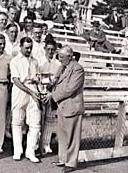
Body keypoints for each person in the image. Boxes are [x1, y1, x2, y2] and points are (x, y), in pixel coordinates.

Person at [45, 45, 85, 173]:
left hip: (72, 106)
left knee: (72, 137)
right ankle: (63, 159)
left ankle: (71, 163)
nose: (59, 59)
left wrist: (53, 95)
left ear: (70, 56)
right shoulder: (63, 67)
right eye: (59, 57)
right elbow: (57, 83)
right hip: (62, 106)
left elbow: (70, 89)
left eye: (62, 57)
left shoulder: (78, 69)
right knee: (62, 136)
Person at [10, 37, 42, 163]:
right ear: (21, 47)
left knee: (35, 123)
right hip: (20, 90)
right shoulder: (14, 61)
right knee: (17, 122)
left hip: (33, 89)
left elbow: (38, 78)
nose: (29, 50)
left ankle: (31, 151)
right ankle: (17, 151)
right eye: (26, 48)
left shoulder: (35, 61)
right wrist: (31, 92)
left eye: (30, 48)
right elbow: (16, 80)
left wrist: (38, 88)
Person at [38, 40, 61, 154]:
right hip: (40, 93)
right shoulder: (39, 62)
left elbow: (58, 81)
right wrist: (41, 92)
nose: (50, 52)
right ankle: (37, 144)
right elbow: (37, 79)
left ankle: (46, 144)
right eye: (48, 49)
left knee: (49, 120)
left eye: (52, 49)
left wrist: (51, 94)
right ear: (45, 49)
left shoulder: (58, 65)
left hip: (51, 94)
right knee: (38, 120)